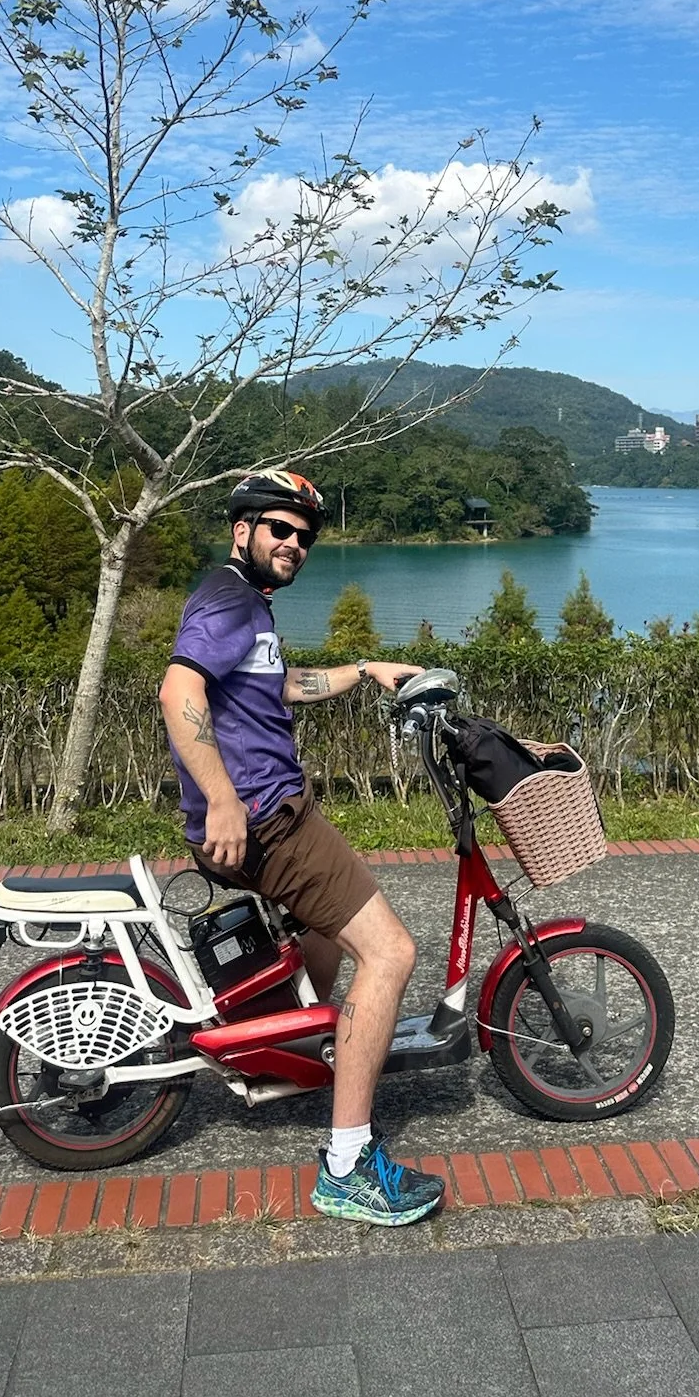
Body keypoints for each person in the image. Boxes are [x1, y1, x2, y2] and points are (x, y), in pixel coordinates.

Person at [157, 468, 445, 1227]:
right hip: (265, 821)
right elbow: (178, 690)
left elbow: (279, 686)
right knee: (390, 954)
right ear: (241, 529)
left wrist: (364, 669)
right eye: (278, 528)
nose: (293, 543)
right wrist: (222, 797)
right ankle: (347, 1166)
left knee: (329, 920)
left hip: (278, 813)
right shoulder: (224, 598)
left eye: (304, 535)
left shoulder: (250, 607)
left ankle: (312, 1047)